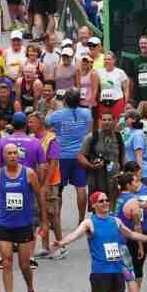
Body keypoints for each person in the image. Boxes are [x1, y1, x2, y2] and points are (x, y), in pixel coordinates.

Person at [52, 189, 147, 292]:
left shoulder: (116, 221)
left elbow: (131, 234)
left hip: (117, 269)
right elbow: (75, 235)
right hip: (100, 271)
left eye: (107, 200)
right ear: (93, 205)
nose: (105, 203)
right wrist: (61, 243)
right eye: (101, 201)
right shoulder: (89, 223)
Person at [0, 142, 47, 292]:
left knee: (24, 264)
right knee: (6, 262)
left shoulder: (29, 173)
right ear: (3, 156)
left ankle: (30, 290)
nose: (13, 156)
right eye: (9, 153)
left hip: (24, 225)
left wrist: (44, 221)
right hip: (4, 224)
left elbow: (40, 196)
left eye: (15, 153)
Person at [48, 89, 93, 225]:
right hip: (80, 155)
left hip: (62, 156)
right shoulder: (87, 113)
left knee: (58, 189)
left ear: (65, 101)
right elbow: (90, 130)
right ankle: (81, 220)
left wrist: (52, 107)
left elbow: (46, 121)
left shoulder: (57, 114)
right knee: (81, 187)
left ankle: (57, 220)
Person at [79, 110, 125, 203]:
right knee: (97, 205)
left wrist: (124, 174)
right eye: (104, 119)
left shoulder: (118, 137)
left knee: (113, 205)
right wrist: (91, 166)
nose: (107, 122)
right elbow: (81, 156)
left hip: (114, 180)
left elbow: (123, 157)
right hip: (96, 179)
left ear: (114, 121)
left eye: (109, 119)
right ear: (100, 121)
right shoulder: (92, 137)